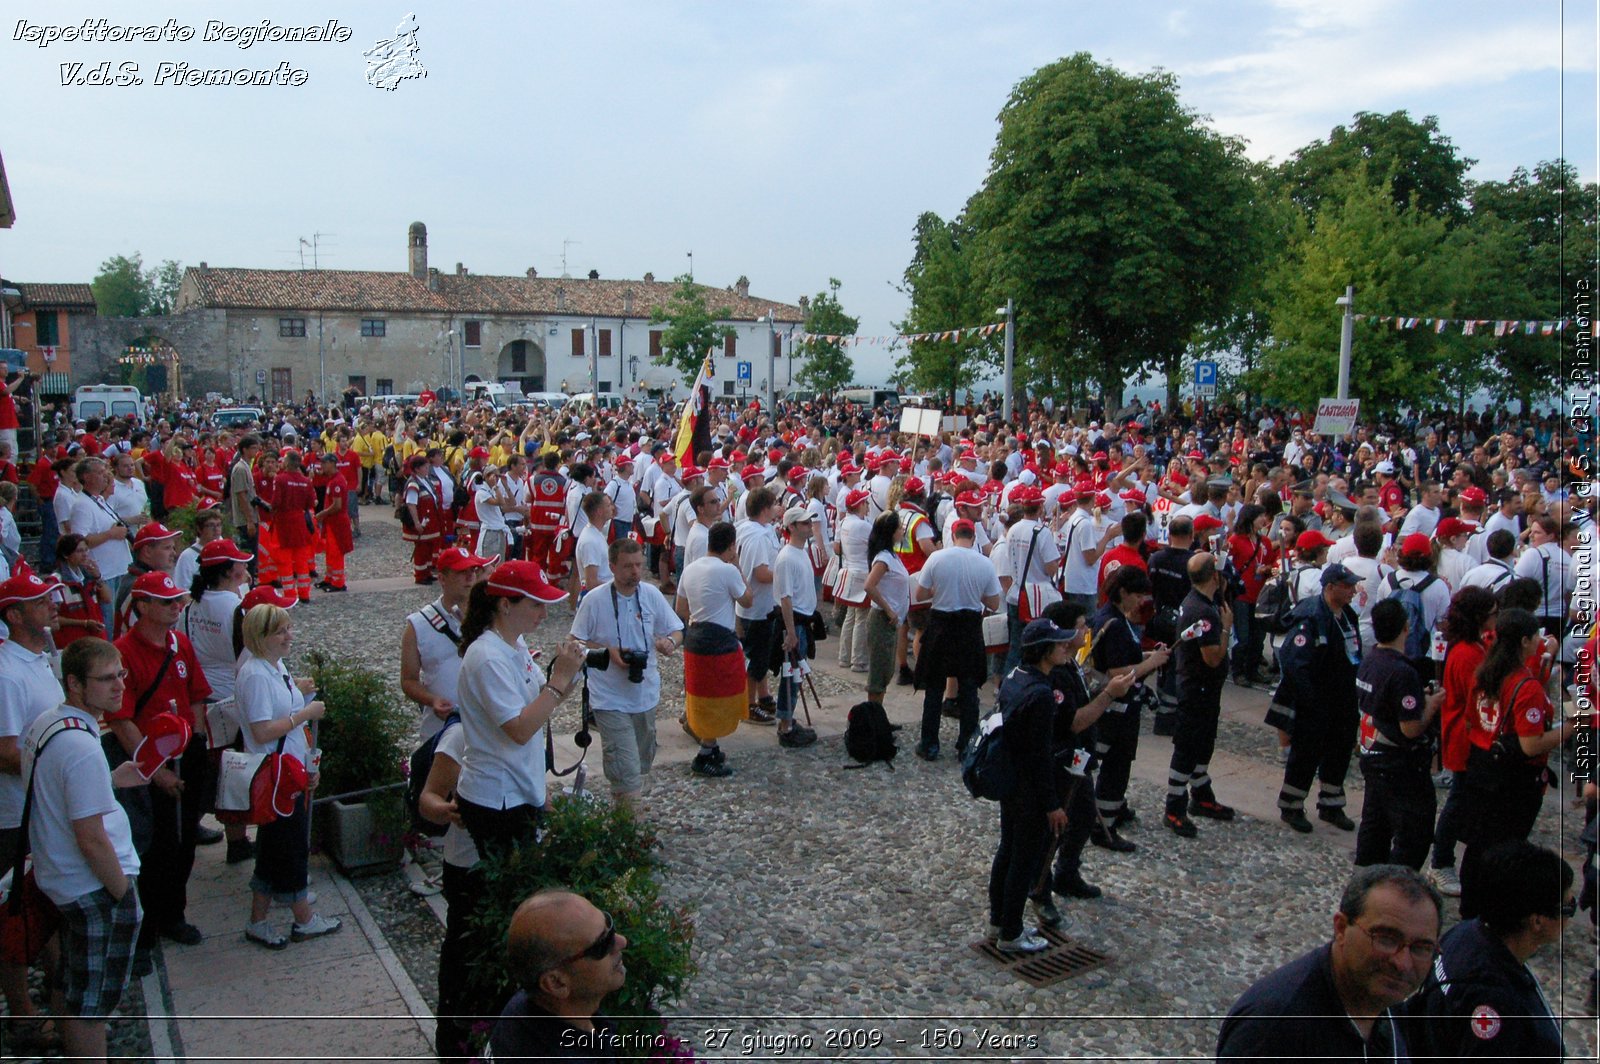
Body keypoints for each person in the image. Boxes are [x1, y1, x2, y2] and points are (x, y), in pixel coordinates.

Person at [20, 637, 146, 1063]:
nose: (119, 686)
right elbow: (89, 836)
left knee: (70, 982)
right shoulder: (81, 746)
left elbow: (56, 792)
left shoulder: (47, 724)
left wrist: (110, 780)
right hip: (89, 887)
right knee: (90, 1004)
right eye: (106, 679)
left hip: (59, 878)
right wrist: (122, 894)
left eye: (121, 675)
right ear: (74, 684)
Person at [987, 619, 1133, 954]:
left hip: (1011, 782)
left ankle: (998, 922)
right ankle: (1010, 931)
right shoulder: (1040, 694)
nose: (1067, 647)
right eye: (1060, 644)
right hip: (1031, 788)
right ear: (1044, 650)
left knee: (1007, 852)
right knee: (1022, 860)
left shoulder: (1015, 677)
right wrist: (1053, 804)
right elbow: (1039, 756)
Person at [1216, 864, 1442, 1061]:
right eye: (1385, 939)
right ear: (1341, 928)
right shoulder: (1275, 1028)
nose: (1402, 963)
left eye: (1421, 948)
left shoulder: (1384, 998)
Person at [108, 571, 212, 951]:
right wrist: (155, 771)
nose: (176, 607)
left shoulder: (179, 643)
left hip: (186, 756)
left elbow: (197, 694)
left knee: (184, 842)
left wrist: (197, 739)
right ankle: (148, 923)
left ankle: (174, 913)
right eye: (167, 602)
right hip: (150, 765)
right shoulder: (124, 652)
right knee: (154, 846)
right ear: (143, 607)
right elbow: (121, 720)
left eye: (176, 601)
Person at [455, 561, 584, 859]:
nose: (544, 614)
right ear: (505, 605)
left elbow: (543, 699)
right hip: (496, 797)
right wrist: (559, 679)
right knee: (511, 891)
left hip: (519, 788)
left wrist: (572, 673)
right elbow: (520, 729)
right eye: (536, 605)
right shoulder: (487, 656)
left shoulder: (514, 643)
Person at [1402, 840, 1571, 1060]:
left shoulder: (1467, 933)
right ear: (1537, 921)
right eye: (1568, 908)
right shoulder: (1497, 1003)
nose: (1570, 917)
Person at [1455, 608, 1574, 920]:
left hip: (1482, 764)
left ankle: (1471, 908)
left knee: (1478, 845)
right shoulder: (1524, 685)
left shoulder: (1485, 672)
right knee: (1504, 850)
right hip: (1513, 778)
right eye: (1536, 636)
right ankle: (1492, 915)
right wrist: (1569, 730)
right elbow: (1530, 744)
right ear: (1524, 640)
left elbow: (1471, 720)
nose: (1540, 641)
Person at [236, 603, 339, 950]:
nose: (289, 636)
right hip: (276, 775)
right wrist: (305, 713)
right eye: (281, 631)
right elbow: (263, 730)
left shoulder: (271, 666)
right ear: (261, 636)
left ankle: (257, 919)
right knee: (291, 848)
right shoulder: (254, 675)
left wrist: (298, 690)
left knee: (272, 851)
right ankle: (303, 919)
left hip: (289, 771)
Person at [571, 539, 684, 805]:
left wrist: (670, 642)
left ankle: (621, 815)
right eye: (627, 566)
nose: (634, 571)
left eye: (638, 565)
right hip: (609, 699)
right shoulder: (595, 600)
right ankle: (630, 834)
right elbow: (574, 642)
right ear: (612, 567)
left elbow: (677, 629)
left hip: (645, 695)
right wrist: (607, 652)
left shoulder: (651, 594)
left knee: (638, 765)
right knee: (627, 772)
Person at [416, 694, 488, 1061]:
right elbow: (428, 798)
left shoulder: (522, 728)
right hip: (466, 863)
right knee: (463, 956)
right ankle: (454, 1044)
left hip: (509, 856)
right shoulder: (460, 736)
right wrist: (448, 810)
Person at [1353, 598, 1443, 869]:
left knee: (1375, 824)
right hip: (1397, 763)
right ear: (1406, 627)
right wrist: (1433, 705)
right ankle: (1397, 884)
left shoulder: (1370, 659)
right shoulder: (1402, 671)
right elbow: (1411, 727)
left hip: (1372, 754)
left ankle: (1368, 877)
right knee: (1412, 832)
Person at [488, 890, 628, 1063]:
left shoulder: (525, 1008)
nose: (621, 941)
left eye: (609, 925)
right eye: (602, 945)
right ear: (556, 983)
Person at [1086, 565, 1168, 848]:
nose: (1140, 601)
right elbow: (1117, 671)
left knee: (1117, 766)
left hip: (1120, 709)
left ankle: (1110, 812)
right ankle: (1103, 826)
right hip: (1115, 711)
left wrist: (1146, 655)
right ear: (1123, 593)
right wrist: (1150, 663)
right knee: (1115, 768)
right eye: (1137, 595)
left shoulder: (1115, 619)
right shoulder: (1116, 624)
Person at [1427, 586, 1498, 898]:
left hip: (1466, 735)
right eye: (1493, 614)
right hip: (1464, 737)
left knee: (1464, 801)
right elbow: (1478, 697)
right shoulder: (1468, 653)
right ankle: (1441, 861)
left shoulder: (1472, 647)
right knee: (1458, 803)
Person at [913, 519, 1001, 760]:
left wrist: (938, 590)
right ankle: (966, 745)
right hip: (969, 627)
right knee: (969, 688)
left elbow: (920, 593)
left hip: (941, 624)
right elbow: (994, 603)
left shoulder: (938, 558)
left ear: (953, 534)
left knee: (934, 687)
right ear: (973, 537)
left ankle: (929, 743)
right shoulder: (984, 563)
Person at [1164, 552, 1236, 838]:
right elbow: (1212, 658)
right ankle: (1174, 807)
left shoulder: (1197, 602)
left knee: (1204, 744)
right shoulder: (1203, 612)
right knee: (1188, 747)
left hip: (1203, 687)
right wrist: (1227, 628)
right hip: (1198, 688)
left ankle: (1202, 795)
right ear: (1214, 577)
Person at [675, 521, 752, 778]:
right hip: (719, 640)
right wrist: (738, 566)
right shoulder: (728, 571)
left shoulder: (690, 570)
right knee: (721, 696)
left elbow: (680, 611)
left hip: (695, 637)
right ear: (731, 546)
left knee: (701, 693)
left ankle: (711, 745)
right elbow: (747, 600)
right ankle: (705, 753)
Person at [400, 547, 490, 747]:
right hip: (441, 732)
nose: (470, 577)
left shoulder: (492, 618)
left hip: (488, 728)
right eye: (461, 572)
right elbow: (408, 680)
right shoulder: (418, 625)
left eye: (473, 570)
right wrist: (432, 700)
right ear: (441, 579)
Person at [771, 507, 821, 748]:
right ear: (791, 527)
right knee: (791, 676)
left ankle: (788, 718)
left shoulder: (801, 552)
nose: (809, 526)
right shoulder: (787, 557)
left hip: (803, 621)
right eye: (804, 523)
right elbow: (785, 598)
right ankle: (785, 726)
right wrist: (791, 632)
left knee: (797, 674)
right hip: (794, 623)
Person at [734, 487, 782, 724]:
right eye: (773, 505)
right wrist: (783, 574)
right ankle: (748, 704)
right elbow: (761, 573)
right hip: (757, 607)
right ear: (765, 509)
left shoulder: (754, 528)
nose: (776, 509)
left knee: (762, 656)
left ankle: (763, 696)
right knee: (754, 658)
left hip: (762, 605)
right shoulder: (756, 536)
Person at [862, 511, 908, 707]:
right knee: (879, 674)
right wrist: (889, 609)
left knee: (886, 671)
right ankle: (874, 717)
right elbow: (869, 585)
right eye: (899, 527)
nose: (902, 530)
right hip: (882, 619)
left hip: (890, 621)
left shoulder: (892, 555)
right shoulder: (883, 559)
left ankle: (878, 715)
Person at [833, 487, 873, 673]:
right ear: (860, 505)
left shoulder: (844, 522)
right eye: (865, 503)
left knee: (851, 616)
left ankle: (844, 656)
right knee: (861, 618)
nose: (867, 506)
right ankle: (858, 660)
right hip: (861, 572)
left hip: (849, 570)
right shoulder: (862, 525)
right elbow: (875, 544)